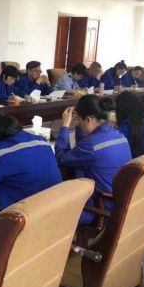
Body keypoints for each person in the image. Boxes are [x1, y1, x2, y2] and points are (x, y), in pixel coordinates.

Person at [55, 95, 132, 224]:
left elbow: (61, 158)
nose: (78, 123)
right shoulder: (118, 135)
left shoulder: (91, 145)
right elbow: (84, 144)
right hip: (120, 202)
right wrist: (80, 122)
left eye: (79, 120)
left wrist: (65, 126)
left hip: (101, 208)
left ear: (89, 119)